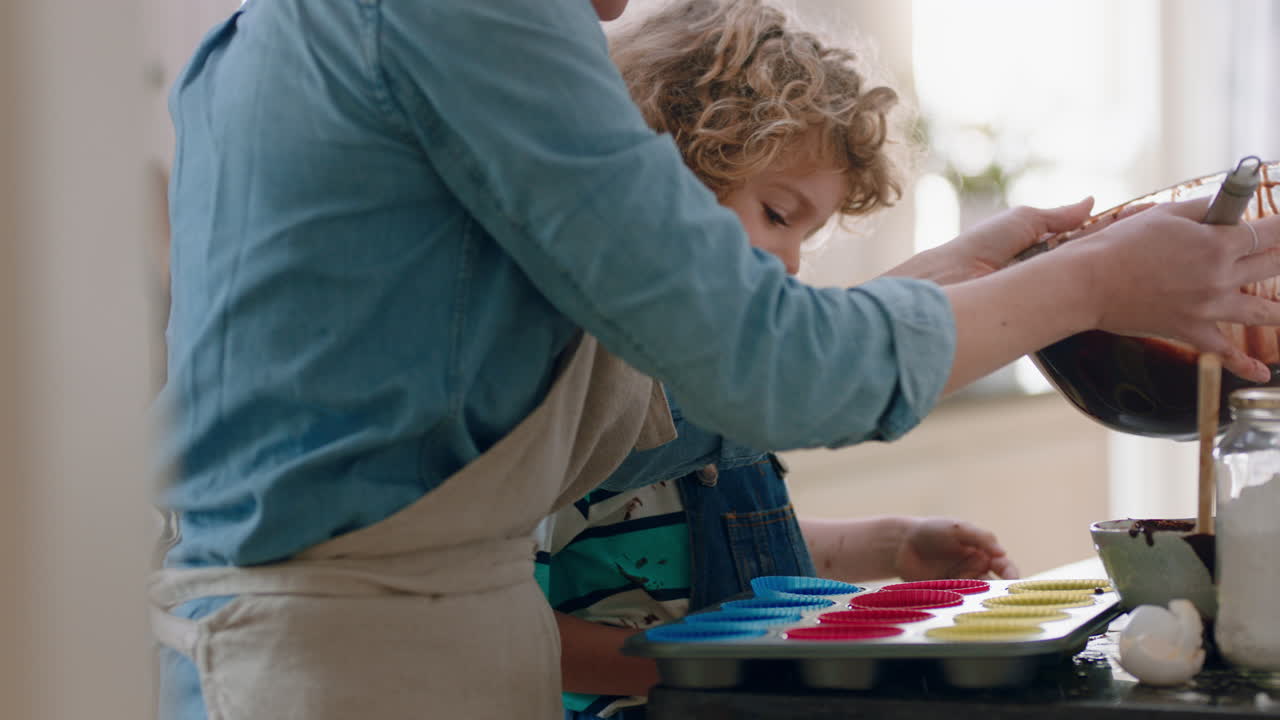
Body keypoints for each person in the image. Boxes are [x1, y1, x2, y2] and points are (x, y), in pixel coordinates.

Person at [151, 0, 1280, 718]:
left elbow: (678, 393)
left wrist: (979, 271)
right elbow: (765, 372)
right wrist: (1086, 283)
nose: (610, 9)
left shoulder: (290, 34)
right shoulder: (460, 15)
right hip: (359, 673)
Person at [538, 5, 1017, 715]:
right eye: (779, 213)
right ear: (671, 172)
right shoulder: (587, 379)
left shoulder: (712, 381)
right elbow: (510, 628)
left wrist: (887, 548)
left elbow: (716, 542)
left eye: (808, 234)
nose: (792, 260)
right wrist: (701, 671)